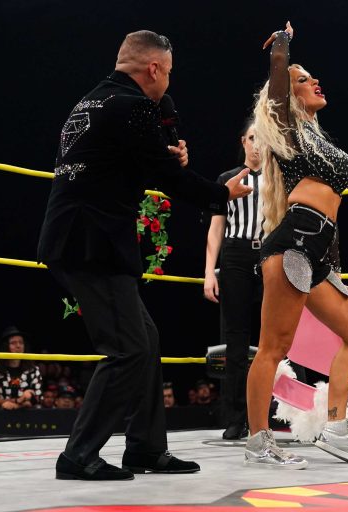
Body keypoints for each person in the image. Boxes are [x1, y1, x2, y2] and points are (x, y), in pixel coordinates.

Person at [37, 29, 252, 481]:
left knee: (145, 340)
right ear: (153, 68)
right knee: (127, 349)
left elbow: (119, 166)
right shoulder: (133, 106)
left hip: (81, 237)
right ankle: (78, 455)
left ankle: (146, 449)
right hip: (91, 242)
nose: (168, 82)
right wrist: (221, 194)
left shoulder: (92, 102)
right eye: (168, 73)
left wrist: (166, 159)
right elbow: (166, 179)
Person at [243, 21, 348, 469]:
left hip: (315, 252)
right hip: (294, 246)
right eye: (303, 79)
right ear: (288, 94)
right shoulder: (286, 126)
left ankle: (337, 430)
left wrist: (332, 267)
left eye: (312, 76)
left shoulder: (313, 137)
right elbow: (277, 85)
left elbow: (330, 215)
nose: (315, 81)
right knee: (273, 347)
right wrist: (282, 48)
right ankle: (258, 440)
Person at [203, 120, 264, 440]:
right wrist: (208, 273)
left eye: (262, 138)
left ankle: (281, 414)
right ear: (243, 141)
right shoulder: (226, 179)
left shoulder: (279, 178)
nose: (257, 144)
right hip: (235, 256)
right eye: (252, 138)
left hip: (269, 255)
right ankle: (237, 418)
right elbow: (216, 228)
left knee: (278, 337)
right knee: (236, 340)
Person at [0, 326, 42, 410]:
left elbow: (38, 398)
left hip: (27, 416)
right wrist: (18, 400)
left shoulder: (33, 370)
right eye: (13, 343)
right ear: (5, 346)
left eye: (21, 342)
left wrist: (17, 405)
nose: (18, 346)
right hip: (1, 415)